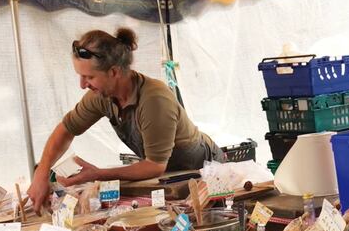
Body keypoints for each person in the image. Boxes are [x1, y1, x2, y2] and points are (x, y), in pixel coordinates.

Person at [27, 28, 223, 214]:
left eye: (89, 77)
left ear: (113, 72)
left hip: (206, 170)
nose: (82, 85)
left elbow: (155, 165)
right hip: (169, 175)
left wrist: (98, 174)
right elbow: (66, 130)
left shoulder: (154, 100)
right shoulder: (100, 96)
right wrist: (41, 173)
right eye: (80, 76)